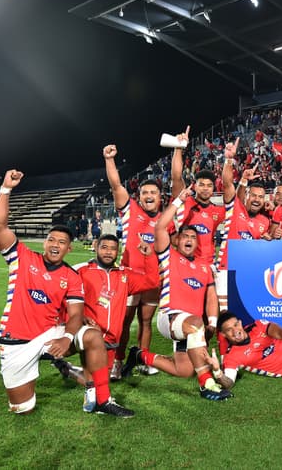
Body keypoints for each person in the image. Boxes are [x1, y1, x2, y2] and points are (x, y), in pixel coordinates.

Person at [0, 169, 134, 417]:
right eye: (52, 240)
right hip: (16, 340)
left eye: (62, 242)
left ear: (69, 248)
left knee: (91, 336)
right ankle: (67, 370)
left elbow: (76, 313)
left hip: (50, 333)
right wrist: (6, 189)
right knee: (22, 409)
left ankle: (100, 398)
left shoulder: (71, 276)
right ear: (45, 243)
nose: (56, 245)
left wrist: (67, 337)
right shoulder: (21, 258)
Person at [122, 187, 232, 401]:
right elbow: (161, 227)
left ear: (197, 243)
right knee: (195, 324)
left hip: (192, 327)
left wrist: (211, 322)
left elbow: (211, 298)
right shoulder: (168, 256)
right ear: (178, 241)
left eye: (193, 237)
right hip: (170, 318)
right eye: (185, 236)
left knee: (184, 370)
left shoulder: (204, 267)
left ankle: (139, 355)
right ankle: (207, 384)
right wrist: (178, 202)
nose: (189, 239)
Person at [72, 234, 159, 409]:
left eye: (112, 249)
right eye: (104, 247)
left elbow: (152, 280)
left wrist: (149, 256)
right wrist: (79, 317)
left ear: (117, 252)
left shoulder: (124, 276)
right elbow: (65, 297)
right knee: (94, 380)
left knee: (99, 381)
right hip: (91, 336)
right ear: (96, 247)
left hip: (113, 339)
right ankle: (103, 402)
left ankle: (66, 369)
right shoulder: (83, 271)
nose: (108, 252)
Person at [103, 144, 163, 378]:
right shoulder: (130, 210)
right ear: (140, 197)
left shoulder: (165, 219)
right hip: (128, 277)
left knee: (146, 321)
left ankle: (143, 359)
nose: (149, 196)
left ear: (160, 197)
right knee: (124, 322)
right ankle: (117, 362)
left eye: (153, 193)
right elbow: (116, 185)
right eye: (145, 193)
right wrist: (109, 160)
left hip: (151, 280)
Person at [214, 137, 272, 312]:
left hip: (248, 272)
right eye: (253, 195)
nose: (257, 199)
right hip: (225, 270)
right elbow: (227, 183)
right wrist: (229, 160)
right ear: (247, 196)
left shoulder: (265, 221)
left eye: (261, 197)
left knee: (245, 317)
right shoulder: (235, 210)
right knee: (223, 319)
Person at [170, 126, 226, 264]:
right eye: (201, 185)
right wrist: (178, 148)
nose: (205, 189)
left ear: (214, 188)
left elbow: (238, 206)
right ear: (195, 186)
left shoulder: (218, 211)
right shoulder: (186, 202)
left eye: (209, 185)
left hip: (208, 266)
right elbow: (176, 177)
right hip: (185, 262)